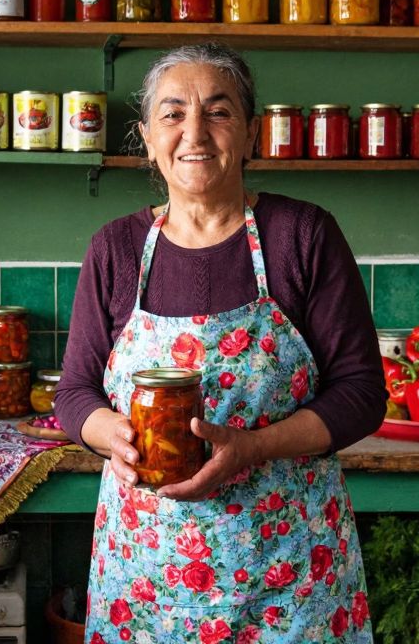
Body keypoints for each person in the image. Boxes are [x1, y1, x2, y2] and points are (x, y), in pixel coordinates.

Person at [56, 43, 386, 643]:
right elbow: (75, 392)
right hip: (149, 574)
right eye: (173, 113)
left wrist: (253, 447)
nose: (195, 133)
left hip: (290, 572)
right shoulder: (115, 248)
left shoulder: (303, 235)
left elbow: (362, 393)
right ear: (148, 137)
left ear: (251, 132)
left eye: (219, 111)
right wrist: (119, 439)